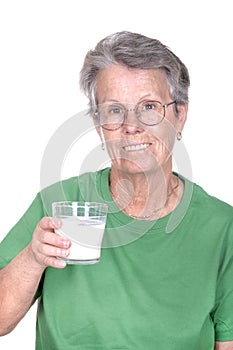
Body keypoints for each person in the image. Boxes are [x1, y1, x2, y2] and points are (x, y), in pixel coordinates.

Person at [0, 31, 232, 350]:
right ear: (98, 126)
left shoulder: (221, 228)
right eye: (114, 110)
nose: (131, 125)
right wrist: (33, 257)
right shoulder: (58, 204)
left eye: (149, 107)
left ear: (180, 116)